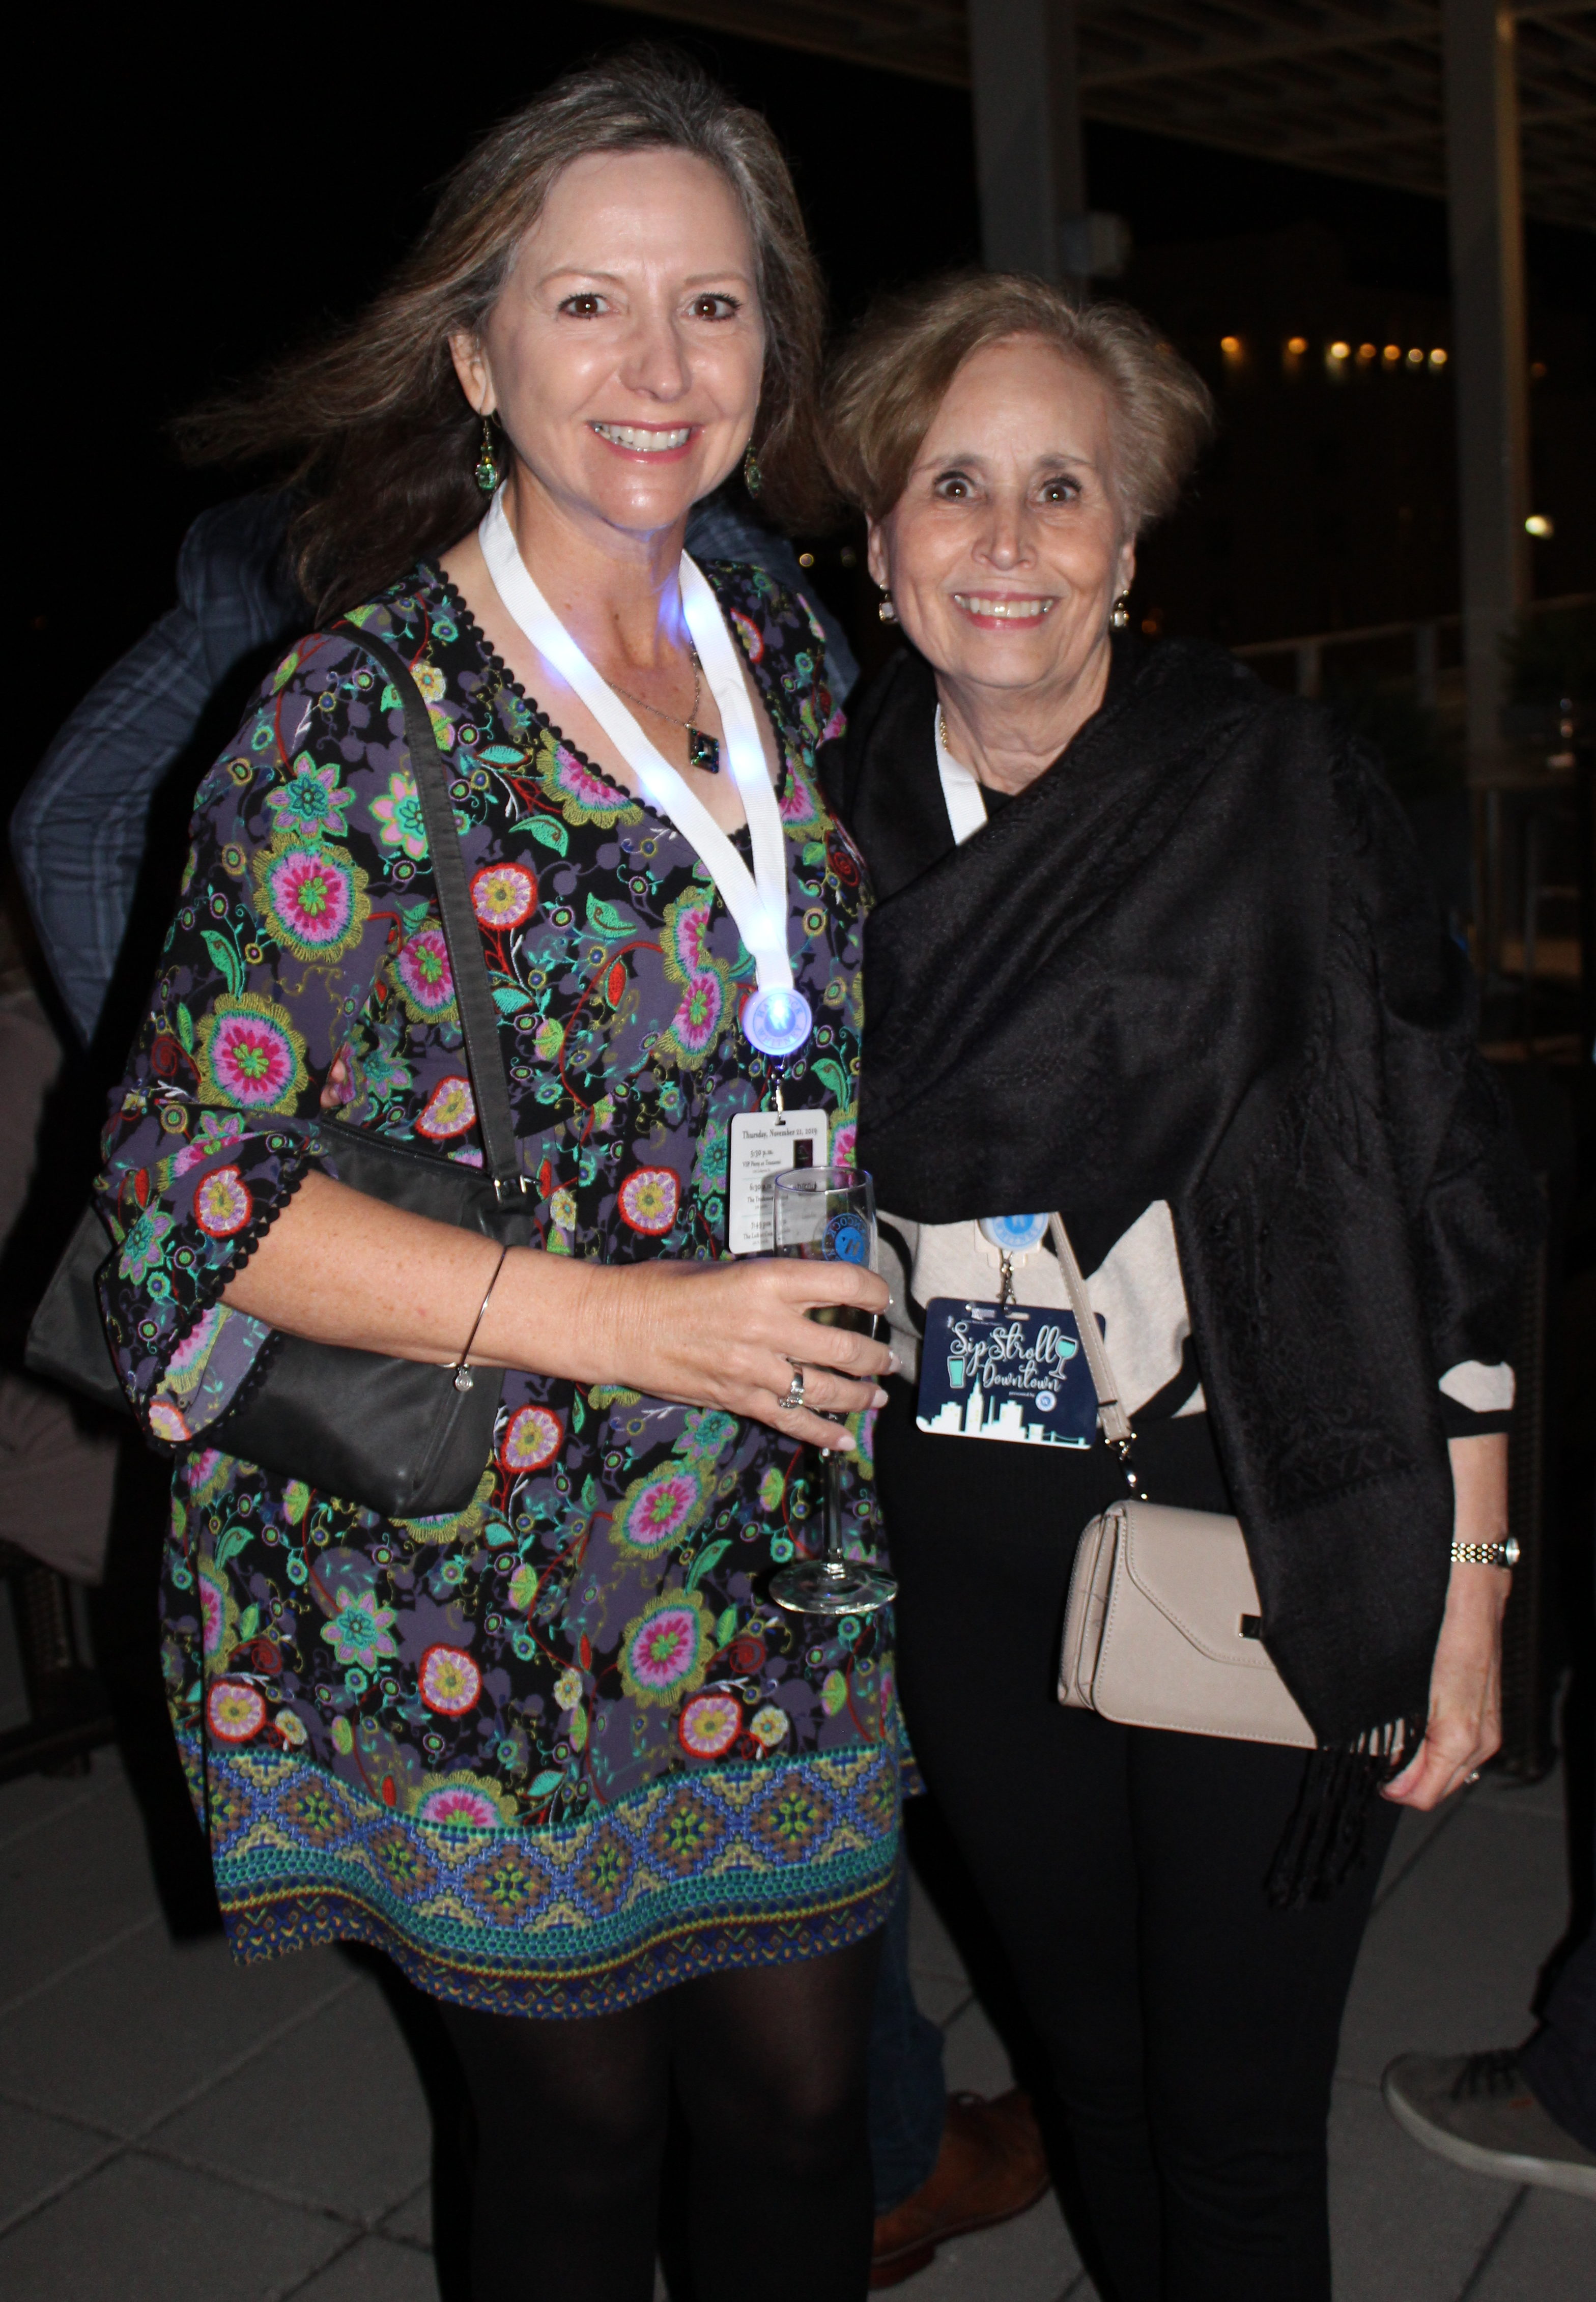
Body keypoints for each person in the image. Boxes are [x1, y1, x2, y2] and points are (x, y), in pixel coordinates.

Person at [93, 52, 901, 2302]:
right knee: (579, 2147)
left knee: (807, 2110)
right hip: (480, 1577)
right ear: (473, 354)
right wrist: (639, 1323)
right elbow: (187, 1199)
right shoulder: (355, 719)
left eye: (714, 307)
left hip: (770, 1533)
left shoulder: (784, 648)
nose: (660, 367)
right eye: (587, 305)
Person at [818, 272, 1544, 2302]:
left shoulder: (1273, 791)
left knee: (1229, 2122)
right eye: (955, 484)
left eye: (1063, 487)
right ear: (878, 546)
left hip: (1260, 1509)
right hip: (964, 1542)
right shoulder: (816, 821)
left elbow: (1445, 1190)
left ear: (1128, 547)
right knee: (1096, 2073)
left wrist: (1472, 1585)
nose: (1009, 536)